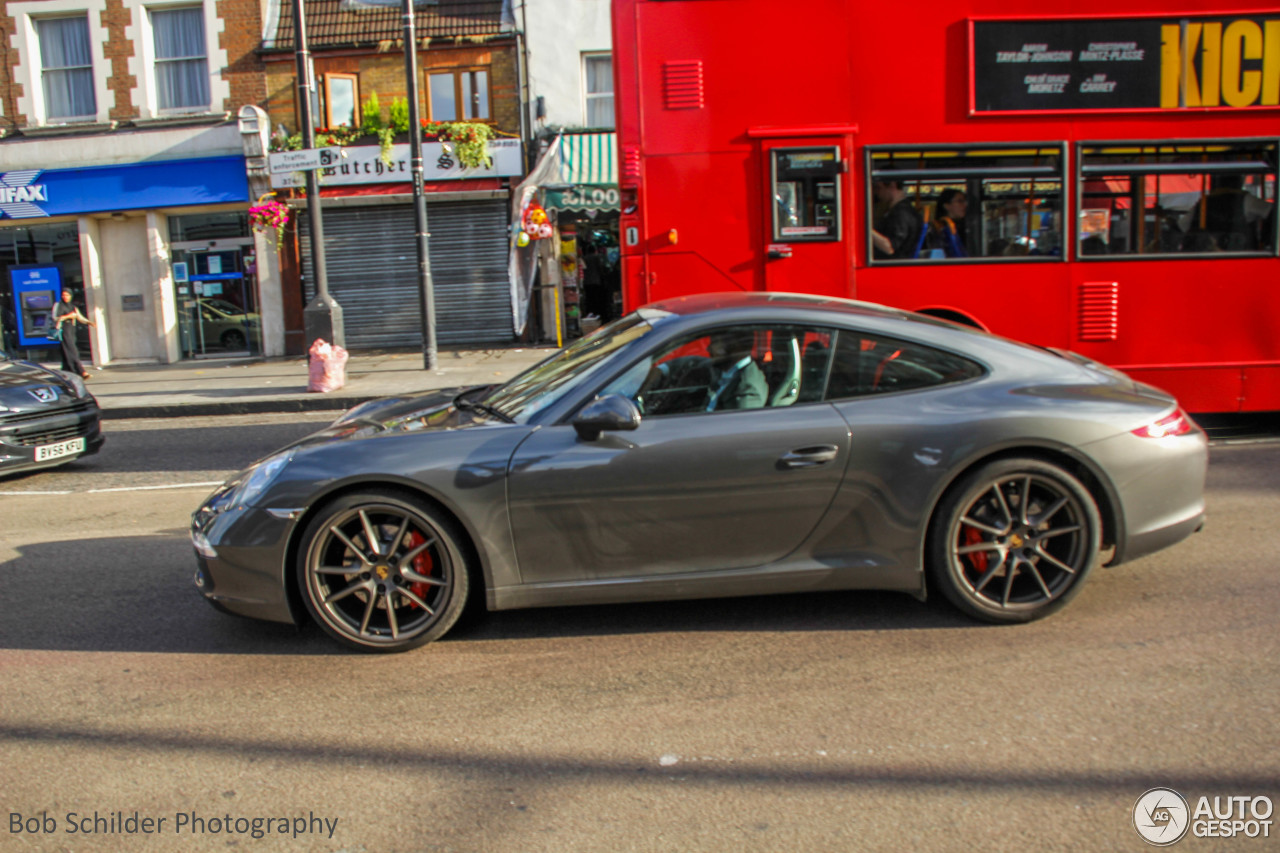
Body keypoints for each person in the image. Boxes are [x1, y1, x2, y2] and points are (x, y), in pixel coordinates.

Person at [871, 179, 923, 260]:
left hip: (892, 264)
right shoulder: (899, 210)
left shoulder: (901, 213)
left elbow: (890, 247)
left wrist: (867, 230)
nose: (876, 193)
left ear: (892, 185)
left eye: (878, 188)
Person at [52, 289, 95, 379]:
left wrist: (89, 322)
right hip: (63, 331)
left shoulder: (73, 307)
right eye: (63, 295)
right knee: (73, 351)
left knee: (66, 352)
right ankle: (81, 371)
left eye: (67, 295)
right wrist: (68, 316)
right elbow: (55, 318)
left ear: (71, 296)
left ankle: (66, 372)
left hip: (71, 331)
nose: (65, 297)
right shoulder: (58, 305)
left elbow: (79, 317)